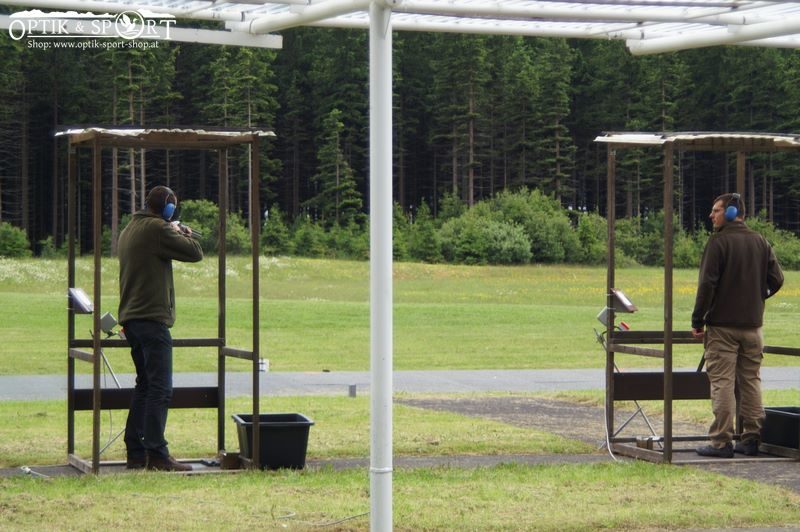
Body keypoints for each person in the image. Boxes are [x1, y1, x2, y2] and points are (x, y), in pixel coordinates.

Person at [691, 192, 783, 458]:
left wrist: (698, 321)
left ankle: (721, 442)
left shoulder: (718, 242)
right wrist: (757, 296)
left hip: (722, 328)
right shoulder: (761, 241)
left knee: (722, 383)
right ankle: (752, 439)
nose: (711, 215)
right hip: (754, 328)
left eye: (716, 210)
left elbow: (706, 285)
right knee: (751, 382)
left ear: (731, 213)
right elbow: (777, 280)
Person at [118, 185, 203, 471]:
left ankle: (135, 450)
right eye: (173, 206)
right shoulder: (158, 228)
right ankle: (156, 453)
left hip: (132, 320)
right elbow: (195, 253)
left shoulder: (131, 227)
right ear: (167, 207)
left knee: (145, 386)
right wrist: (183, 232)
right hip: (151, 318)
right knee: (160, 389)